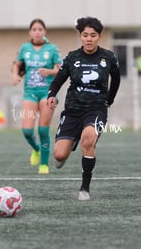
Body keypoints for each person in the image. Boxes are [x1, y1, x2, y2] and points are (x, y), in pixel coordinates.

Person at [47, 17, 120, 201]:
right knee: (59, 154)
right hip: (72, 110)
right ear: (80, 36)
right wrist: (51, 95)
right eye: (85, 35)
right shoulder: (72, 57)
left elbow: (116, 79)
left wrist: (109, 100)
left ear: (99, 36)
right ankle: (70, 142)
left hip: (96, 109)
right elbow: (59, 80)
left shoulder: (108, 57)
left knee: (88, 140)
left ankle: (84, 188)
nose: (89, 39)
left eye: (93, 35)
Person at [12, 19, 62, 175]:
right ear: (30, 32)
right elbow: (17, 65)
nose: (37, 32)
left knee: (42, 129)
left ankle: (44, 164)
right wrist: (15, 76)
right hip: (30, 93)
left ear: (45, 31)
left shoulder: (52, 49)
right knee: (27, 131)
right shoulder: (25, 48)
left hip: (47, 93)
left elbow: (60, 69)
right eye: (34, 29)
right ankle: (36, 149)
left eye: (40, 29)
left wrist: (50, 72)